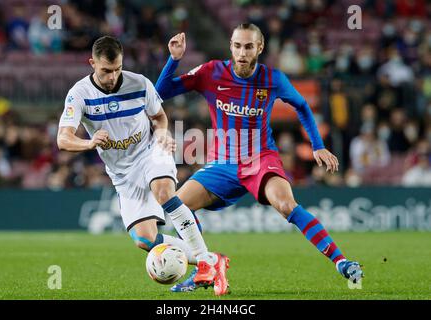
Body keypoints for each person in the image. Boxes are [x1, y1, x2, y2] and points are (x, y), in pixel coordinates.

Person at [156, 24, 364, 292]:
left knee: (286, 205)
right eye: (238, 46)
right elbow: (160, 92)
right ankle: (207, 266)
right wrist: (174, 59)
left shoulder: (273, 79)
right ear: (231, 46)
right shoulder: (211, 72)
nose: (242, 53)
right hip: (223, 163)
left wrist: (317, 145)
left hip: (260, 159)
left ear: (260, 48)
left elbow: (301, 105)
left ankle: (342, 262)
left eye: (249, 46)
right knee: (178, 207)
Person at [57, 36, 229, 296]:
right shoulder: (79, 94)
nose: (113, 77)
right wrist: (89, 143)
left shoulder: (139, 83)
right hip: (123, 175)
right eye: (106, 71)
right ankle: (213, 260)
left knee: (163, 192)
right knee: (145, 240)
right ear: (92, 63)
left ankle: (204, 262)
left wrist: (161, 132)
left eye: (117, 69)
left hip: (150, 152)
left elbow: (159, 117)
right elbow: (63, 139)